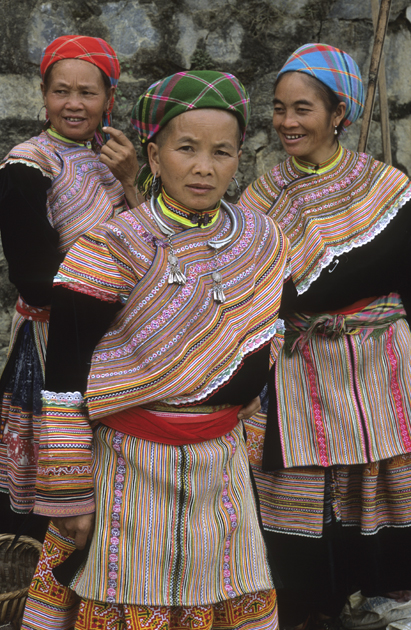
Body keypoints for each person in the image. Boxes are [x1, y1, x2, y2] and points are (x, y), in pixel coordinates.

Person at [21, 70, 288, 630]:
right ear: (154, 153)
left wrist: (250, 449)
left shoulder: (262, 241)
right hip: (130, 468)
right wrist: (70, 494)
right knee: (131, 596)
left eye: (222, 152)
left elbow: (264, 355)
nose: (203, 166)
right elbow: (66, 374)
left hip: (222, 471)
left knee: (225, 591)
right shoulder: (110, 245)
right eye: (186, 148)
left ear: (241, 157)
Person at [241, 43, 411, 628]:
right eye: (280, 108)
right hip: (299, 368)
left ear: (339, 113)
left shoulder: (387, 187)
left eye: (303, 109)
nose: (287, 122)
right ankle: (314, 604)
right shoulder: (262, 199)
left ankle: (389, 596)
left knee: (383, 480)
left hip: (379, 365)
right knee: (303, 489)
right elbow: (252, 292)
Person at [0, 34, 139, 535]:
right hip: (55, 342)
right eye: (61, 91)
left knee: (115, 479)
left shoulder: (117, 156)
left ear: (110, 99)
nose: (74, 104)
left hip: (118, 341)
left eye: (88, 92)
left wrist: (130, 179)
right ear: (43, 95)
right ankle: (42, 584)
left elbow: (158, 242)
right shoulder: (28, 165)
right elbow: (35, 280)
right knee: (59, 481)